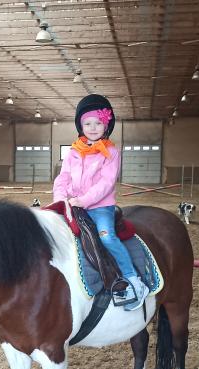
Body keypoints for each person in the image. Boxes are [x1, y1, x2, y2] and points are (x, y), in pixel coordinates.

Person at [52, 94, 149, 311]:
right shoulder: (73, 151)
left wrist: (83, 200)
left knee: (107, 237)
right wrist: (60, 199)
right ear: (81, 126)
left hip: (99, 207)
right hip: (72, 203)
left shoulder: (111, 152)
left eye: (98, 123)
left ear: (106, 125)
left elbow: (106, 183)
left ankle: (133, 279)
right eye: (87, 123)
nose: (92, 128)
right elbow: (63, 177)